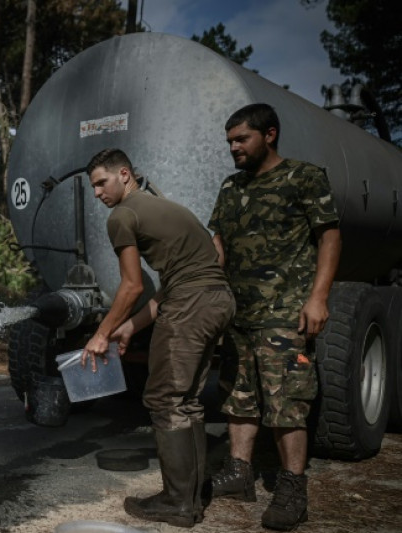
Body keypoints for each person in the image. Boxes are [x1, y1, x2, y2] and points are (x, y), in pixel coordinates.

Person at [82, 148, 235, 527]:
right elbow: (204, 265)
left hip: (190, 303)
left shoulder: (123, 215)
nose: (98, 192)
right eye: (93, 186)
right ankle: (194, 495)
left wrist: (100, 334)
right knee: (186, 400)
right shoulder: (166, 207)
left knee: (165, 398)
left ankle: (177, 503)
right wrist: (130, 326)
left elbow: (132, 286)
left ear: (124, 174)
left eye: (102, 182)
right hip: (218, 299)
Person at [207, 103, 341, 531]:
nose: (234, 147)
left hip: (284, 312)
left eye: (241, 138)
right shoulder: (231, 188)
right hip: (239, 314)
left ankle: (291, 488)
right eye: (230, 141)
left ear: (270, 134)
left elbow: (330, 237)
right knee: (237, 397)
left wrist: (318, 297)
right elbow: (219, 245)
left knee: (287, 404)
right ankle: (239, 473)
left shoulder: (304, 177)